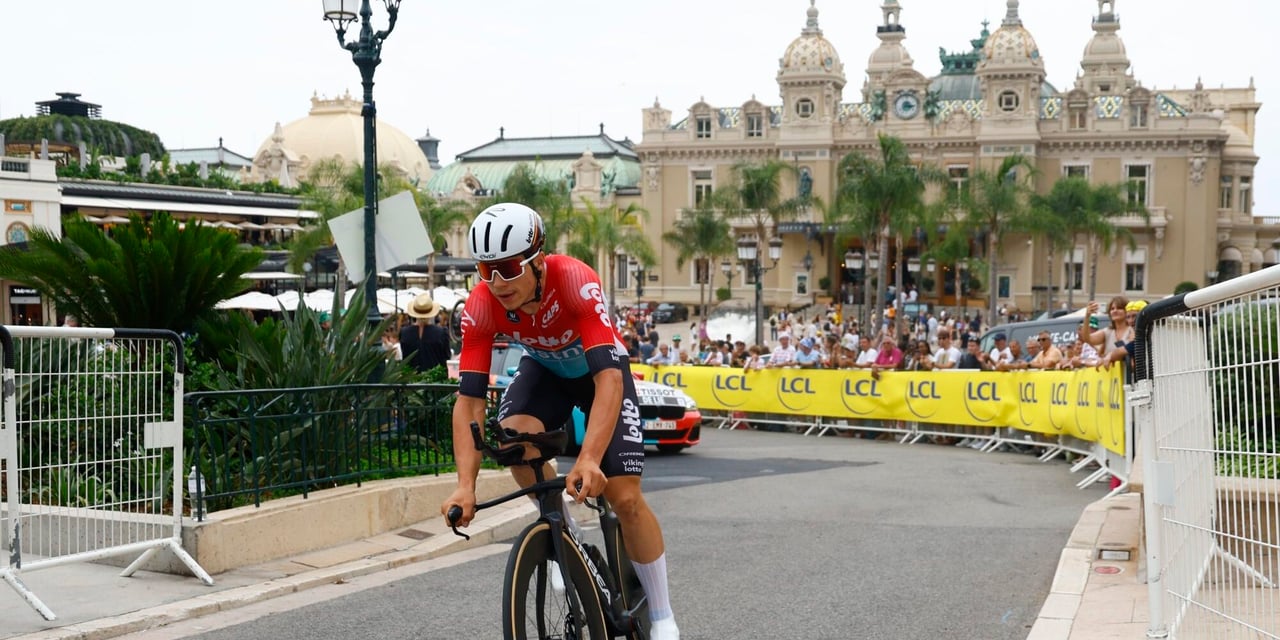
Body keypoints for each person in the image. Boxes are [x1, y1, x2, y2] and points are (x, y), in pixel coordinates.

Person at [443, 203, 679, 638]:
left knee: (625, 497)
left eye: (509, 268)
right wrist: (465, 485)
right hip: (546, 372)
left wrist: (589, 457)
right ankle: (563, 534)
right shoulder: (480, 304)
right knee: (515, 441)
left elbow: (608, 377)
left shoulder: (574, 281)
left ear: (537, 260)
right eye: (485, 269)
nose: (497, 282)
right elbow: (469, 401)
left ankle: (663, 615)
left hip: (599, 374)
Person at [399, 293, 451, 373]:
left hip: (410, 381)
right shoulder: (441, 333)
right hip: (435, 381)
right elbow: (446, 358)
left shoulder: (404, 333)